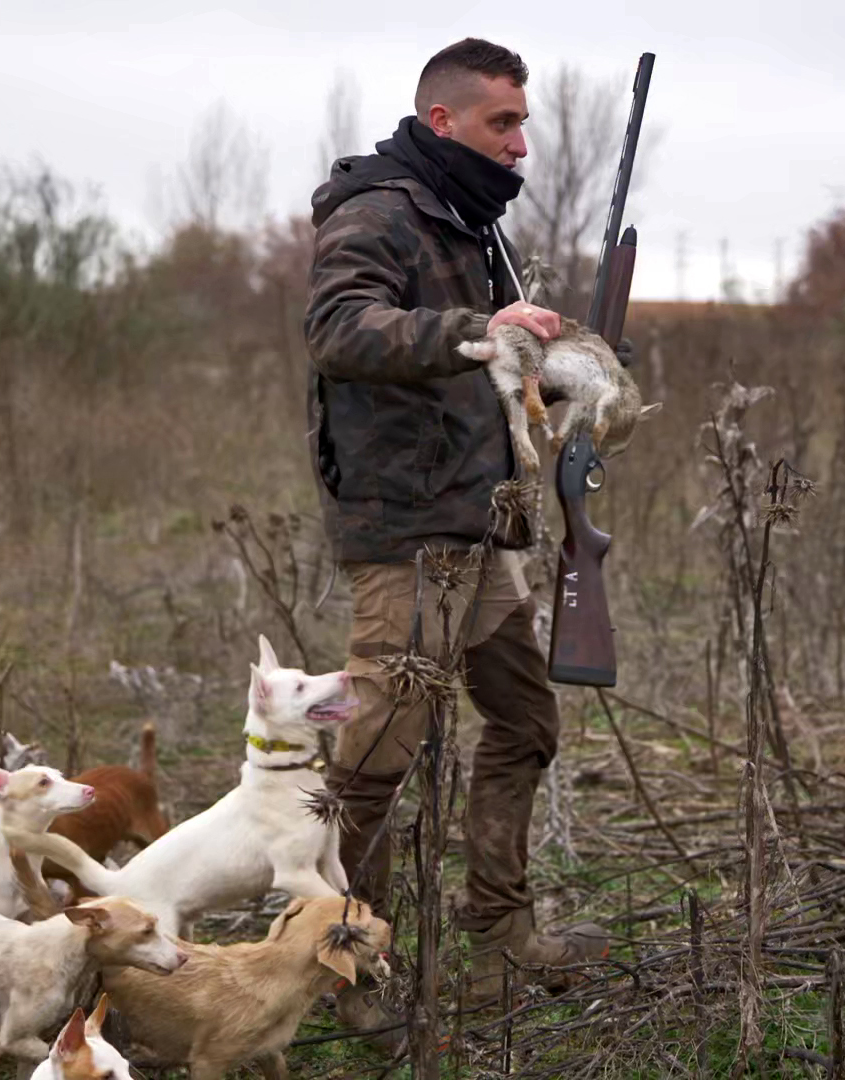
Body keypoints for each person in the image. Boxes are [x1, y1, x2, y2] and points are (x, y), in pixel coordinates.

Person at [302, 37, 620, 1040]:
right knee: (373, 764)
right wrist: (478, 334)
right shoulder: (378, 212)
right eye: (503, 124)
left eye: (524, 124)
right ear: (444, 121)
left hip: (478, 526)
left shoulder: (467, 221)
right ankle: (357, 974)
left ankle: (501, 938)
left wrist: (557, 370)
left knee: (525, 723)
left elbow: (489, 360)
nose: (521, 146)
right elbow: (342, 330)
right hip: (407, 534)